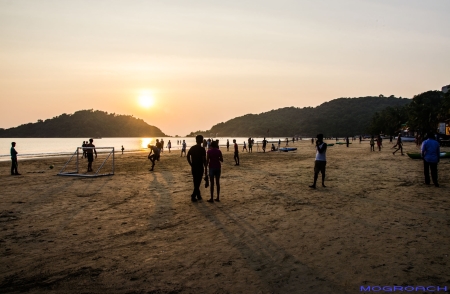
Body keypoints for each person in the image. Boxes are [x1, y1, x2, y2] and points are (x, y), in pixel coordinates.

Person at [187, 135, 207, 202]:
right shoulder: (202, 149)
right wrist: (206, 167)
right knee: (198, 182)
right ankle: (193, 195)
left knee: (195, 181)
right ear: (202, 141)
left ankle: (198, 195)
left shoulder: (193, 148)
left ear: (196, 140)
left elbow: (188, 155)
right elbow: (204, 159)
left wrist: (190, 163)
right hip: (200, 167)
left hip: (194, 167)